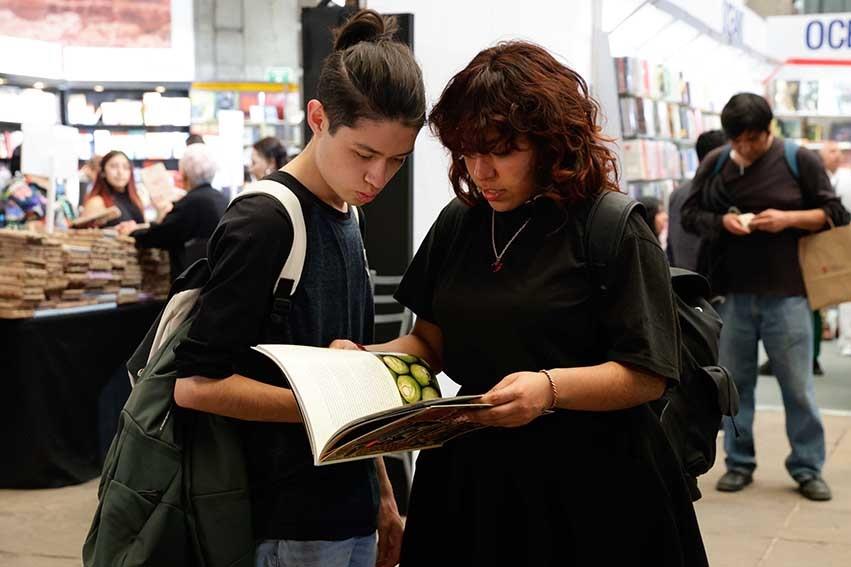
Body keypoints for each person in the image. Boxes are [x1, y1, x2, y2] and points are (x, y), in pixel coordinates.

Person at [332, 41, 707, 567]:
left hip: (594, 481)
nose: (480, 171)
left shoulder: (609, 226)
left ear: (551, 143)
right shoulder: (460, 223)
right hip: (474, 477)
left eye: (501, 151)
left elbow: (648, 372)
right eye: (467, 151)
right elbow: (429, 342)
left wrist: (548, 388)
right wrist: (370, 359)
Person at [170, 10, 425, 567]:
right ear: (317, 117)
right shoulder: (265, 221)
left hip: (350, 509)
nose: (377, 178)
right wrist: (329, 408)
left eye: (396, 162)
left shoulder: (348, 214)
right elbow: (195, 385)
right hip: (286, 522)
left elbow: (352, 374)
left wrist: (384, 499)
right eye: (363, 154)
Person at [683, 93, 849, 502]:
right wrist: (721, 221)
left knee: (797, 387)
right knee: (736, 387)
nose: (744, 148)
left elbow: (835, 214)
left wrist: (787, 219)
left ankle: (807, 466)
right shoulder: (717, 161)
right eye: (736, 140)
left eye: (751, 140)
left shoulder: (798, 160)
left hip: (788, 294)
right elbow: (689, 215)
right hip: (733, 295)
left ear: (767, 131)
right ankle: (739, 462)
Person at [117, 143, 227, 278]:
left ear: (184, 174)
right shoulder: (220, 198)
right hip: (217, 275)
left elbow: (163, 234)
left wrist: (133, 232)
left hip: (195, 281)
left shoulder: (192, 201)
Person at [667, 130, 727, 271]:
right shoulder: (720, 192)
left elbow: (671, 244)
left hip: (683, 279)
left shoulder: (677, 193)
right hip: (711, 282)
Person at [820, 141, 851, 356]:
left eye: (839, 151)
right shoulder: (820, 178)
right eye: (831, 151)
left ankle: (846, 337)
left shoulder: (845, 179)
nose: (837, 155)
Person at [81, 150, 145, 227]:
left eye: (125, 167)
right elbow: (85, 236)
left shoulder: (135, 199)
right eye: (114, 166)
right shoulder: (96, 202)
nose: (120, 172)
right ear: (103, 172)